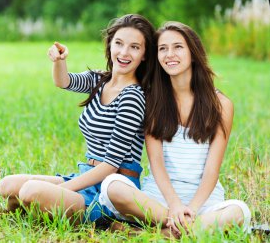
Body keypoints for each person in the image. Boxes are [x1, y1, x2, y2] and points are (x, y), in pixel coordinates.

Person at [0, 14, 156, 223]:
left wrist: (59, 190)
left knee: (31, 192)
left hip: (112, 187)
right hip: (86, 175)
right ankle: (27, 206)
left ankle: (108, 221)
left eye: (135, 47)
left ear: (144, 54)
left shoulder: (133, 97)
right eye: (119, 43)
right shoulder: (100, 80)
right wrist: (60, 60)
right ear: (110, 46)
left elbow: (111, 164)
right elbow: (64, 81)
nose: (124, 52)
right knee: (7, 185)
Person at [99, 21, 251, 237]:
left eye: (178, 47)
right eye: (163, 49)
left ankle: (154, 235)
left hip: (202, 202)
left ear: (193, 52)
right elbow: (157, 163)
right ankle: (186, 229)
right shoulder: (152, 99)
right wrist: (175, 206)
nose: (170, 54)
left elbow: (211, 170)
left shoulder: (221, 105)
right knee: (112, 186)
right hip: (159, 199)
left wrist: (193, 208)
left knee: (239, 212)